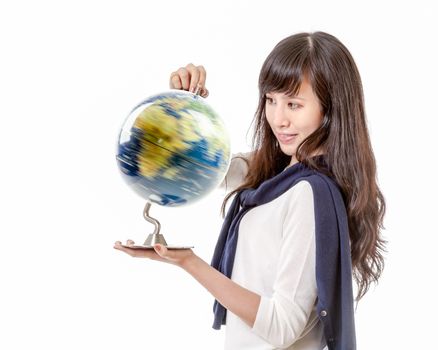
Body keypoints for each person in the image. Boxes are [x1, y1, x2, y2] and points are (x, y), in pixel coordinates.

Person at [114, 31, 386, 350]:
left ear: (331, 108)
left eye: (294, 104)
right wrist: (184, 109)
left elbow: (283, 326)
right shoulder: (278, 170)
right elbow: (202, 169)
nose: (278, 118)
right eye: (271, 100)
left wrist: (189, 262)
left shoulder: (308, 193)